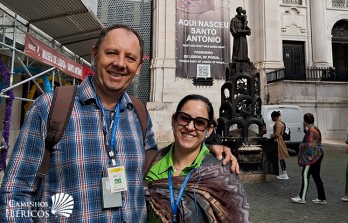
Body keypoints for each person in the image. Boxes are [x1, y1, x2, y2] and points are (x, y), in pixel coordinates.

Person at [0, 24, 237, 221]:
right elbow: (15, 192)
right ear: (94, 54)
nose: (120, 63)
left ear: (138, 66)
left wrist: (204, 148)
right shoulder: (51, 107)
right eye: (112, 53)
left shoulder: (139, 113)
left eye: (130, 57)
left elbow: (155, 162)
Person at [145, 94, 250, 222]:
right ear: (173, 121)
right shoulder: (149, 164)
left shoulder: (222, 170)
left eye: (200, 123)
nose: (189, 127)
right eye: (184, 118)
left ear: (209, 130)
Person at [291, 113, 326, 204]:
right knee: (316, 176)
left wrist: (302, 147)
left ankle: (302, 197)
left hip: (312, 157)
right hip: (318, 155)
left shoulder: (310, 131)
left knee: (305, 174)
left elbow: (309, 146)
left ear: (305, 121)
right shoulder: (315, 128)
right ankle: (322, 197)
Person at [270, 111, 290, 180]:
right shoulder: (279, 123)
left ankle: (284, 174)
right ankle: (283, 173)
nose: (271, 119)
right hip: (279, 141)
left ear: (275, 117)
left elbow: (277, 134)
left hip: (278, 142)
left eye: (272, 117)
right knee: (280, 158)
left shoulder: (278, 123)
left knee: (281, 158)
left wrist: (271, 136)